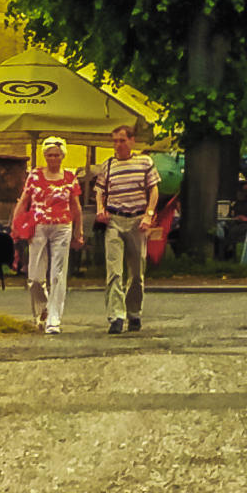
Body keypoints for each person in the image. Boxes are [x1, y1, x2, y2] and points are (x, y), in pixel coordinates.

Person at [91, 122, 165, 335]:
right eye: (115, 141)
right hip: (115, 219)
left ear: (131, 141)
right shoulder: (109, 165)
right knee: (114, 271)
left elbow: (154, 190)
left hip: (136, 220)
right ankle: (116, 316)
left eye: (122, 140)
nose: (118, 145)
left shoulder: (144, 162)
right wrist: (100, 209)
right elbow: (100, 191)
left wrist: (149, 214)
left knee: (136, 271)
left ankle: (134, 312)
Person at [9, 136, 84, 333]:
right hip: (38, 225)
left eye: (56, 155)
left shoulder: (69, 177)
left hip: (62, 226)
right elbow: (24, 200)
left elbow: (76, 206)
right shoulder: (34, 176)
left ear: (62, 156)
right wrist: (15, 224)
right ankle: (43, 309)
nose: (52, 159)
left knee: (58, 274)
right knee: (34, 277)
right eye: (49, 155)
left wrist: (79, 231)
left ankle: (54, 319)